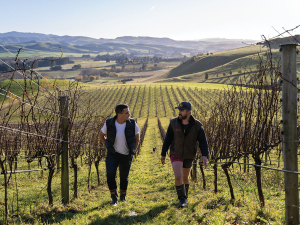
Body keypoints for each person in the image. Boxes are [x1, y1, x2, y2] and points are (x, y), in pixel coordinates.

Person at [161, 101, 209, 208]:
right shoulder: (173, 123)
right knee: (178, 176)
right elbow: (167, 139)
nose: (179, 112)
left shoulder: (197, 125)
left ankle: (185, 197)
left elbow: (203, 141)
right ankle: (182, 199)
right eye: (179, 110)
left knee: (185, 177)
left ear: (189, 112)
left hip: (189, 155)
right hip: (175, 153)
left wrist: (205, 155)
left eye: (182, 110)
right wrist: (163, 154)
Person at [100, 104, 140, 206]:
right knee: (110, 175)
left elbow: (137, 138)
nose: (129, 114)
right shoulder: (110, 123)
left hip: (126, 155)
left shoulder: (132, 123)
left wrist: (133, 150)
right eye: (126, 113)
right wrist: (108, 146)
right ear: (119, 114)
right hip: (113, 154)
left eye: (128, 112)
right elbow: (101, 135)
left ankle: (123, 197)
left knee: (124, 177)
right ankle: (114, 197)